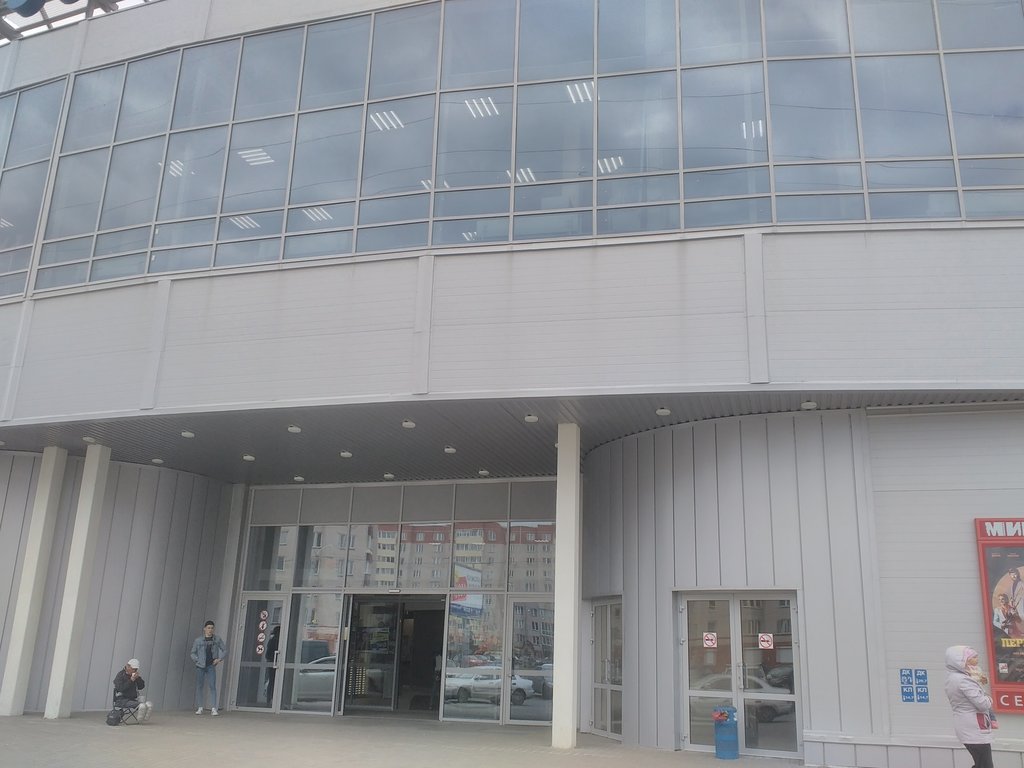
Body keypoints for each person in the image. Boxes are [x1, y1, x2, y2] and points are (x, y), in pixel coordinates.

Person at [945, 645, 995, 768]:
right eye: (972, 657)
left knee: (981, 763)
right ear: (961, 660)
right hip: (974, 729)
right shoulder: (964, 680)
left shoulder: (953, 678)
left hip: (968, 727)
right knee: (985, 765)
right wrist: (989, 698)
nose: (976, 659)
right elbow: (983, 704)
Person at [191, 620, 227, 716]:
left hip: (211, 665)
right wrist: (197, 660)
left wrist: (219, 659)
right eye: (208, 628)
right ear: (204, 629)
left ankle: (214, 708)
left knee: (212, 686)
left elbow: (224, 650)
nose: (210, 630)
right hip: (200, 666)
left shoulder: (217, 639)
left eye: (212, 628)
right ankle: (200, 707)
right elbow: (193, 652)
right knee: (200, 686)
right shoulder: (198, 640)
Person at [112, 658, 153, 722]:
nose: (134, 671)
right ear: (128, 666)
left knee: (149, 704)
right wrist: (131, 680)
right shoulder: (120, 675)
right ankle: (139, 720)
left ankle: (145, 719)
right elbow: (120, 688)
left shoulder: (134, 675)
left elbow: (141, 687)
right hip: (122, 700)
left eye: (136, 669)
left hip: (132, 699)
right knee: (142, 705)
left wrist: (138, 678)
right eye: (133, 669)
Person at [264, 625, 280, 701]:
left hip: (272, 663)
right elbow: (268, 654)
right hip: (274, 663)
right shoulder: (276, 641)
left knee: (272, 681)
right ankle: (272, 699)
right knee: (274, 681)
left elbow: (267, 654)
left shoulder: (272, 640)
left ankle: (269, 699)